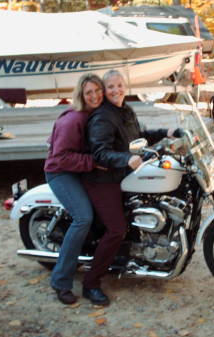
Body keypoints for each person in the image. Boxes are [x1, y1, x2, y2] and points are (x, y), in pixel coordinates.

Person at [82, 69, 177, 306]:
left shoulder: (125, 109)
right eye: (111, 87)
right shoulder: (103, 117)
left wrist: (168, 132)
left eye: (119, 85)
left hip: (125, 174)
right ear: (105, 91)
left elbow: (139, 137)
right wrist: (125, 159)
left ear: (125, 86)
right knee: (116, 229)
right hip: (104, 179)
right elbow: (100, 152)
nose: (116, 90)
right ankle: (90, 284)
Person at [44, 73, 105, 305]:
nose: (95, 95)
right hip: (60, 172)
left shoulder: (98, 114)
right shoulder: (73, 120)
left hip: (81, 170)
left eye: (98, 90)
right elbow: (60, 157)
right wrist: (93, 162)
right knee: (83, 217)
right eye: (89, 92)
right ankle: (61, 281)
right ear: (81, 95)